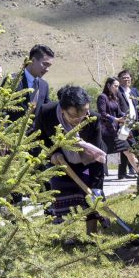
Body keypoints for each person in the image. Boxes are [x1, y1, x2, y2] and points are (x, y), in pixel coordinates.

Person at [35, 85, 108, 234]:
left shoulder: (93, 119)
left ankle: (91, 235)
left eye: (84, 113)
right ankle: (68, 234)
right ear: (63, 109)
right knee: (61, 192)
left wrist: (96, 187)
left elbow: (97, 156)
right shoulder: (47, 113)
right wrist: (51, 154)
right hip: (61, 163)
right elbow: (38, 138)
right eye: (74, 116)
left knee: (91, 197)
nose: (80, 120)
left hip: (88, 162)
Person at [97, 77, 139, 175]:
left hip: (116, 133)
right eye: (115, 86)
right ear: (108, 86)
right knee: (100, 156)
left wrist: (125, 116)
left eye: (118, 86)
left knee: (130, 152)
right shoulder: (102, 97)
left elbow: (119, 112)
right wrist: (117, 120)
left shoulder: (115, 98)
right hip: (106, 133)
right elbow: (102, 114)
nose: (117, 88)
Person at [7, 44, 54, 119]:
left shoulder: (44, 85)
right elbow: (2, 110)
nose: (47, 69)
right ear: (33, 60)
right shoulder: (12, 80)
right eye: (45, 64)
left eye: (49, 66)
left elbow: (46, 112)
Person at [116, 69, 139, 179]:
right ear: (119, 80)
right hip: (125, 123)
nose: (126, 79)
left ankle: (133, 170)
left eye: (128, 77)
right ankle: (123, 172)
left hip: (137, 122)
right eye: (124, 78)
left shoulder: (134, 91)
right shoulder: (118, 92)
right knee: (125, 147)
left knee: (137, 145)